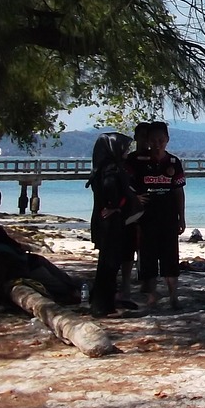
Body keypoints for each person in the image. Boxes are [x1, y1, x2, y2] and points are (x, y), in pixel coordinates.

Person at [125, 121, 186, 310]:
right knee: (148, 257)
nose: (157, 144)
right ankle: (152, 295)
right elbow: (123, 184)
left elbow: (178, 192)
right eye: (154, 140)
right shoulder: (136, 161)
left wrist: (182, 217)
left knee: (170, 256)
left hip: (168, 216)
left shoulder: (174, 163)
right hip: (146, 217)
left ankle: (173, 296)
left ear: (167, 140)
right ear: (148, 141)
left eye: (161, 140)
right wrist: (134, 197)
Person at [86, 132, 138, 316]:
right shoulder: (111, 170)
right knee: (110, 263)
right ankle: (103, 305)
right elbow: (111, 191)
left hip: (106, 221)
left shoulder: (102, 168)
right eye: (123, 147)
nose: (126, 151)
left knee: (108, 263)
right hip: (111, 223)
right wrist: (115, 206)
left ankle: (102, 302)